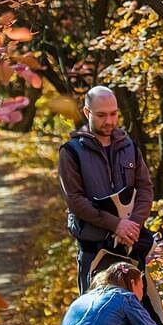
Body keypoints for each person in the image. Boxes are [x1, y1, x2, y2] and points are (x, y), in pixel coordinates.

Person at [57, 86, 156, 299]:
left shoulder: (129, 146)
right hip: (94, 250)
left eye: (113, 114)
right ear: (87, 113)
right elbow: (75, 200)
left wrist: (133, 226)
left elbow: (145, 188)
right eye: (101, 115)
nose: (109, 121)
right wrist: (116, 224)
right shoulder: (71, 151)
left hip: (130, 248)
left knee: (139, 320)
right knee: (97, 322)